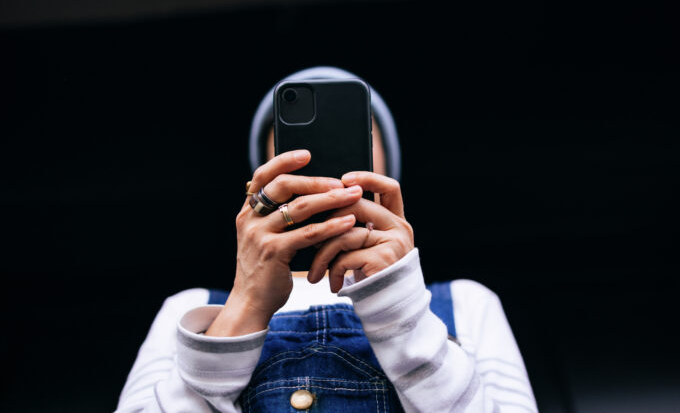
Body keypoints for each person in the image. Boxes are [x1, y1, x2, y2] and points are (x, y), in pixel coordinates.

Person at [115, 67, 537, 413]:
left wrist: (400, 306)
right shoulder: (190, 310)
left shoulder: (467, 303)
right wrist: (244, 306)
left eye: (352, 141)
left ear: (387, 167)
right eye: (295, 150)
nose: (322, 173)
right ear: (263, 180)